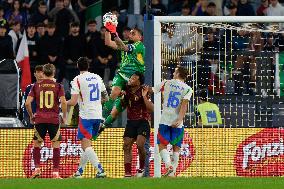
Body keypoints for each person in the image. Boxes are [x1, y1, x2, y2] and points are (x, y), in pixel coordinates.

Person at [102, 72, 153, 177]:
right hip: (131, 122)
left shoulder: (144, 90)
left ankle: (142, 168)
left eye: (134, 78)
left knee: (140, 145)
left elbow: (151, 109)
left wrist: (144, 97)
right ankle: (127, 173)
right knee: (126, 146)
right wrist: (121, 98)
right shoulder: (126, 90)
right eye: (131, 77)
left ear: (139, 82)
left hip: (143, 121)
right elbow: (123, 105)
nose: (130, 79)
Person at [67, 57, 108, 178]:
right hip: (98, 116)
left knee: (86, 146)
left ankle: (100, 170)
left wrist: (61, 102)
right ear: (88, 66)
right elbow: (105, 98)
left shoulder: (77, 79)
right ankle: (79, 172)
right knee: (87, 145)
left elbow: (73, 102)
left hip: (86, 116)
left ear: (77, 66)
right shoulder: (97, 77)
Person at [25, 63, 67, 179]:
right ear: (54, 73)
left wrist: (31, 116)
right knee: (56, 146)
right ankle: (55, 173)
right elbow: (63, 102)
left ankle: (37, 169)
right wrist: (64, 116)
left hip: (40, 119)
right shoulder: (58, 86)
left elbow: (27, 103)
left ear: (43, 73)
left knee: (37, 145)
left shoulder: (36, 86)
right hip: (53, 119)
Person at [153, 66, 193, 177]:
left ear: (178, 73)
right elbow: (184, 105)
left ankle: (168, 165)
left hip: (165, 120)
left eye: (175, 71)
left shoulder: (166, 83)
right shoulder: (188, 88)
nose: (173, 73)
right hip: (178, 123)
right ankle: (172, 173)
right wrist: (180, 119)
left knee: (161, 145)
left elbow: (152, 90)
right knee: (176, 147)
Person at [103, 26, 145, 127]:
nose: (130, 35)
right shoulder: (125, 44)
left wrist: (114, 34)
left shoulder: (139, 46)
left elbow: (124, 48)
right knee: (114, 92)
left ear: (140, 37)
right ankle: (101, 117)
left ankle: (103, 127)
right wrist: (108, 29)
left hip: (134, 80)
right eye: (130, 33)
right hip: (122, 75)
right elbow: (108, 42)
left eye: (133, 33)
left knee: (115, 112)